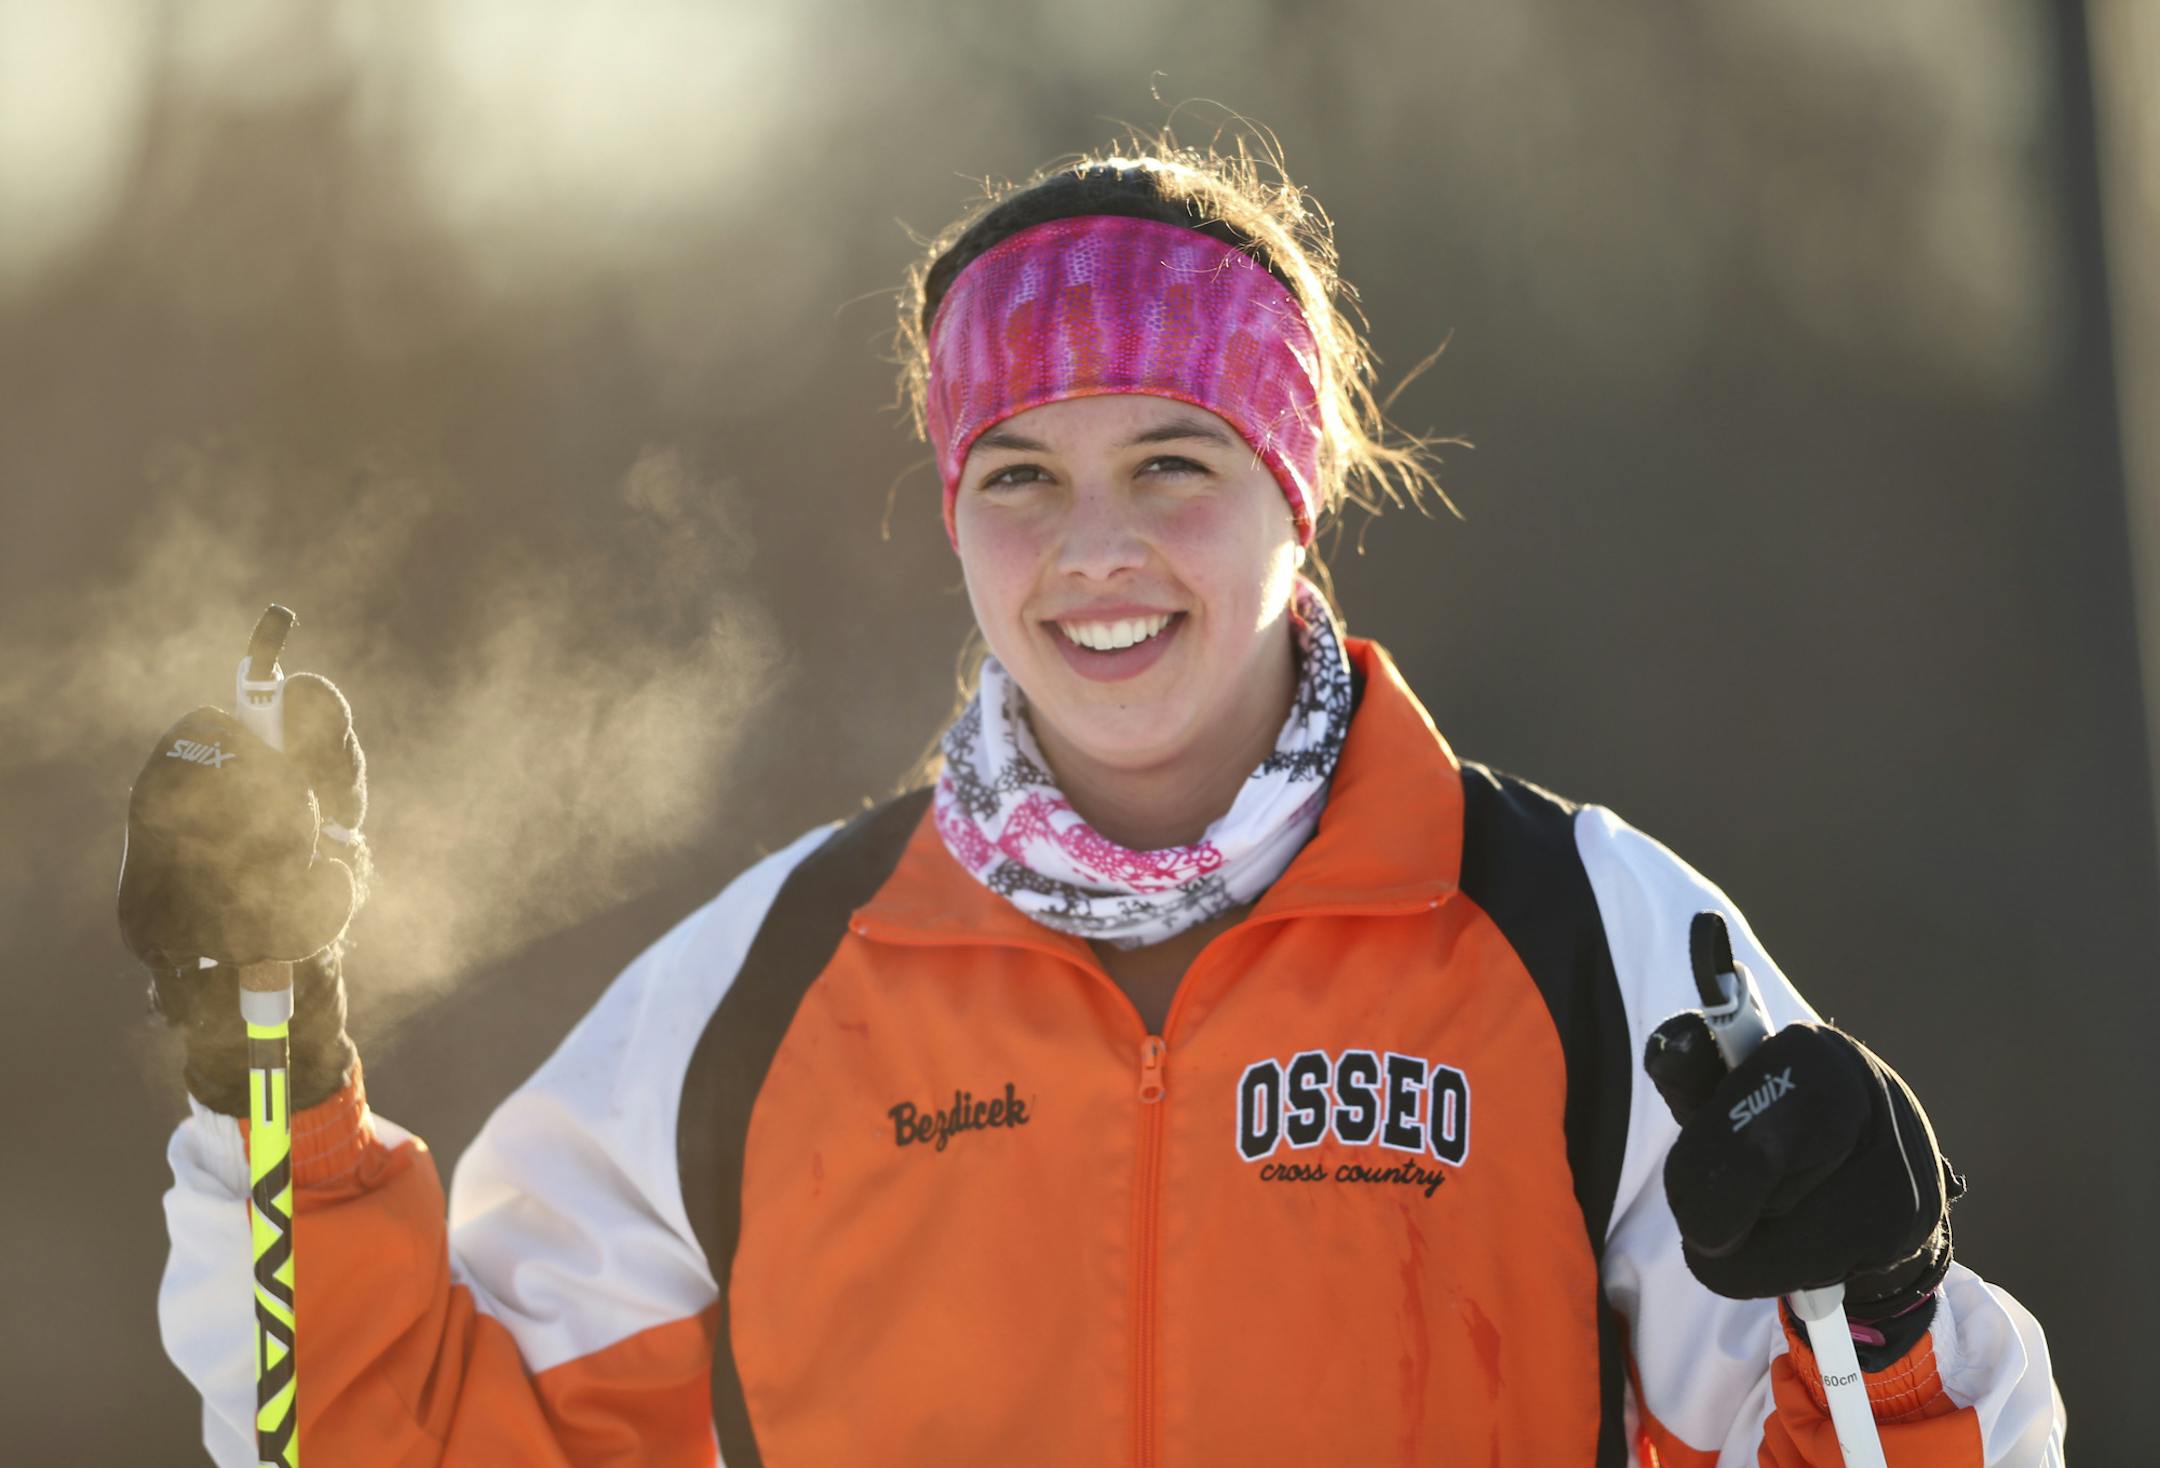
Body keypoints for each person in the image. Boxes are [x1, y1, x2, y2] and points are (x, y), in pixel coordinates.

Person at [125, 137, 2066, 1466]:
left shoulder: (1589, 939)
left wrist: (1884, 1306)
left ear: (1296, 492)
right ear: (952, 512)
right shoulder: (784, 981)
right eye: (1019, 474)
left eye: (1172, 458)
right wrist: (266, 1054)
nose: (1097, 547)